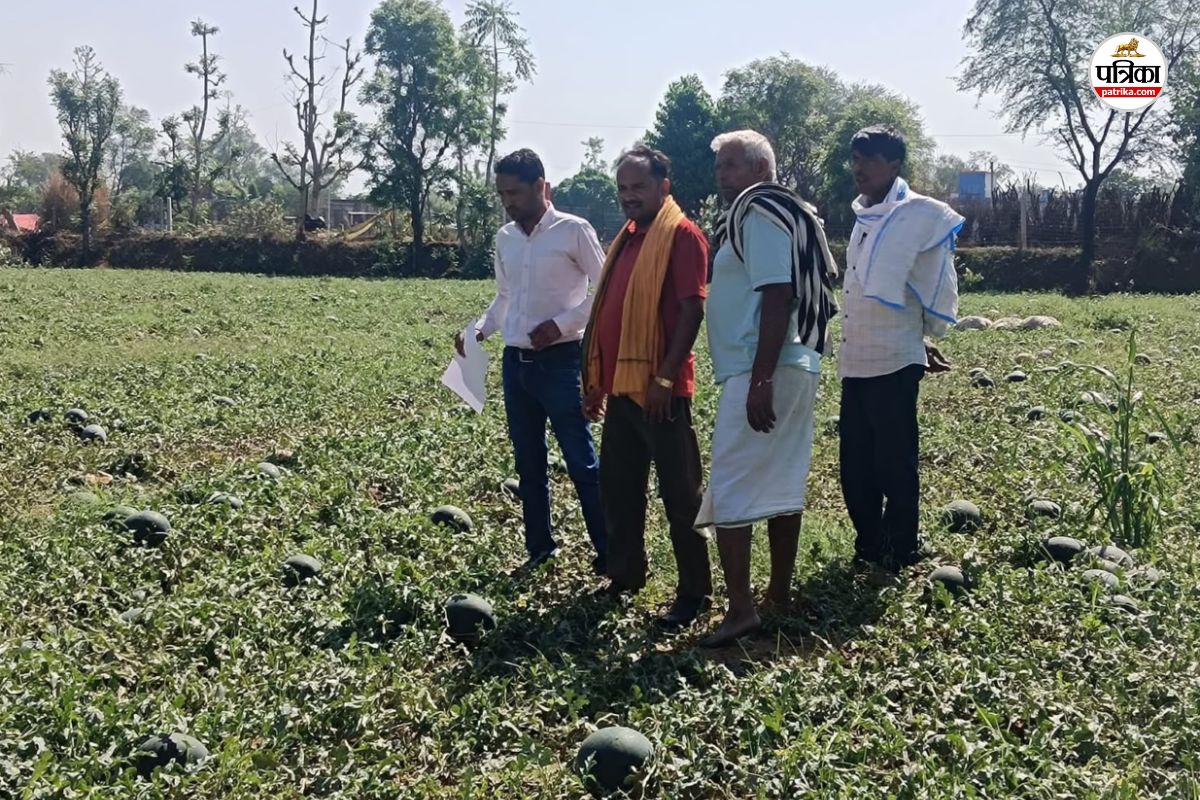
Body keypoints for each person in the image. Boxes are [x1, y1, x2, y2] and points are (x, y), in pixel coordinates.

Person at [696, 130, 839, 646]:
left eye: (732, 165)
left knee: (731, 483)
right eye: (720, 166)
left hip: (767, 365)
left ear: (760, 170)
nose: (722, 175)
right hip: (790, 362)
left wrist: (759, 379)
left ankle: (742, 610)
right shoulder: (787, 211)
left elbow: (776, 294)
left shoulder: (759, 211)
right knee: (782, 476)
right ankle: (778, 593)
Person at [457, 149, 607, 573]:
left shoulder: (574, 231)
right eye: (503, 193)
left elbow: (605, 291)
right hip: (516, 363)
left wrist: (561, 325)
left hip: (561, 360)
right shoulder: (505, 238)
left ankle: (610, 552)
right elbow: (505, 298)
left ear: (541, 186)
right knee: (528, 462)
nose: (509, 202)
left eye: (516, 192)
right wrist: (479, 331)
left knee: (580, 459)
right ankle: (540, 548)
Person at [582, 145, 713, 630]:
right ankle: (626, 574)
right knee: (618, 488)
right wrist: (596, 381)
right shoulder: (628, 238)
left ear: (664, 186)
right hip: (621, 388)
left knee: (681, 496)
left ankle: (695, 592)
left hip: (662, 392)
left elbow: (692, 310)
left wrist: (663, 377)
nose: (629, 196)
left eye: (638, 186)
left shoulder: (681, 235)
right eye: (622, 188)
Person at [839, 125, 964, 576]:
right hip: (854, 360)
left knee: (895, 460)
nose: (858, 168)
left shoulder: (916, 214)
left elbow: (931, 272)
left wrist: (922, 335)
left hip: (894, 358)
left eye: (869, 160)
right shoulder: (863, 217)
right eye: (855, 159)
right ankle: (869, 543)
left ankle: (903, 546)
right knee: (855, 463)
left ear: (894, 166)